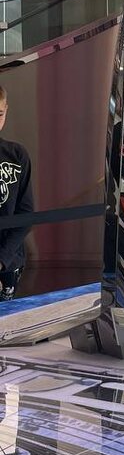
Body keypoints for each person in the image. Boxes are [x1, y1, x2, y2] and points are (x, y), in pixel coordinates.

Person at [0, 85, 34, 300]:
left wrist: (2, 259)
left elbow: (26, 213)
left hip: (9, 260)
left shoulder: (17, 155)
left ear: (6, 110)